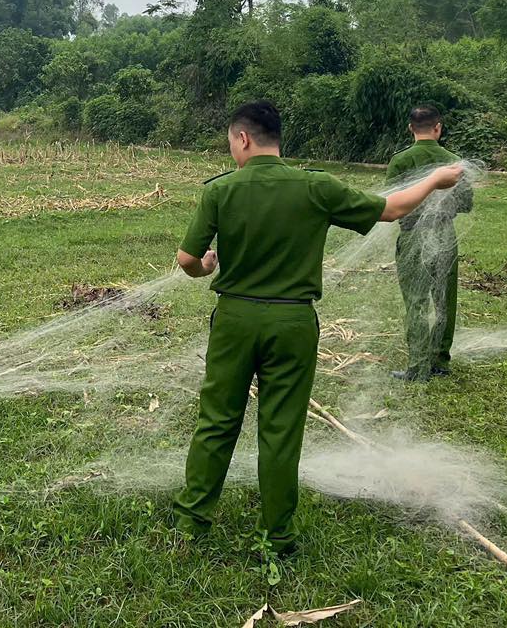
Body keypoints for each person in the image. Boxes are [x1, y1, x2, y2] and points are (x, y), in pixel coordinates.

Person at [172, 100, 463, 552]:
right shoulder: (316, 186)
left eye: (231, 142)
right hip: (293, 321)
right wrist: (434, 180)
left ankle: (192, 522)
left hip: (234, 319)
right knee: (281, 429)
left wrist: (206, 266)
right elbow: (391, 210)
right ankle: (277, 536)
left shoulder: (220, 191)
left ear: (242, 139)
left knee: (217, 420)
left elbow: (187, 260)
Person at [385, 104, 474, 382]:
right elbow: (466, 203)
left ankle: (417, 366)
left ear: (410, 128)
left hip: (413, 236)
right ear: (438, 128)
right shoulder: (454, 162)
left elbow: (392, 203)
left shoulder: (400, 161)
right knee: (444, 300)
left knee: (416, 302)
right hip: (445, 234)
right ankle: (440, 361)